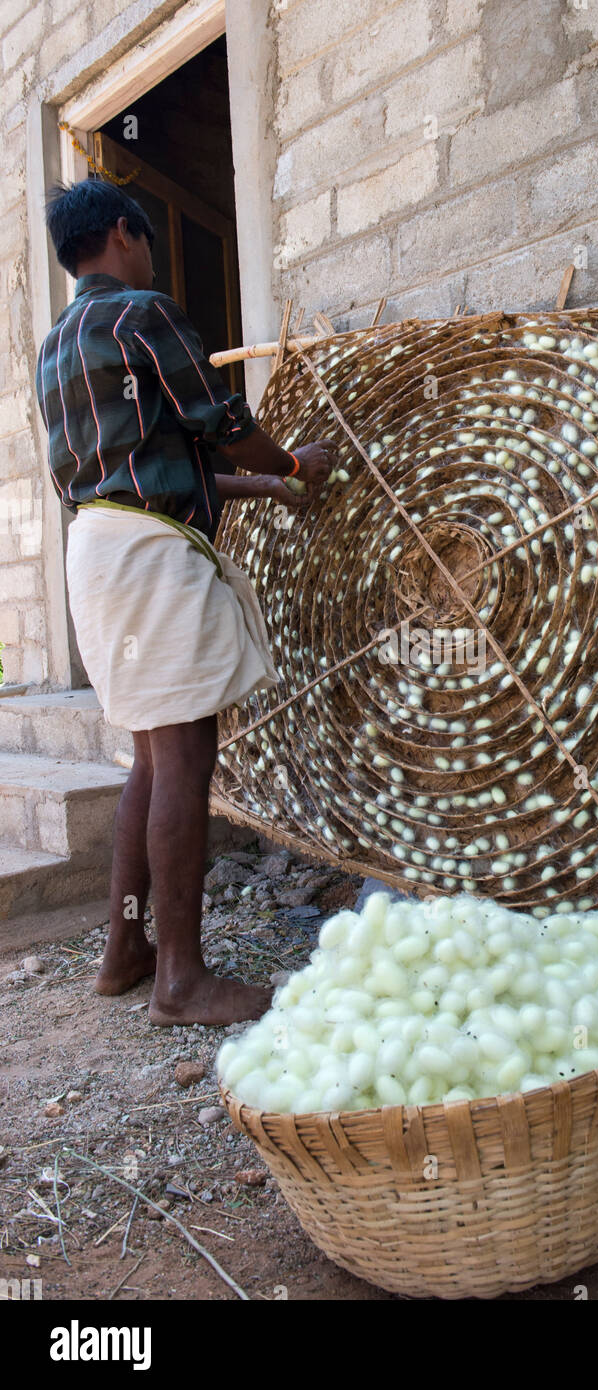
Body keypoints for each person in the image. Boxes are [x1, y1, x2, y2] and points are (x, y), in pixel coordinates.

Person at [35, 178, 339, 1026]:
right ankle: (182, 979)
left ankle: (125, 953)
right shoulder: (143, 314)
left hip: (98, 550)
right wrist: (288, 467)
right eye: (146, 235)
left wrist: (258, 490)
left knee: (150, 757)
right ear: (126, 233)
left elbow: (152, 469)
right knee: (185, 758)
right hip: (149, 559)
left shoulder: (56, 345)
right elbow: (222, 423)